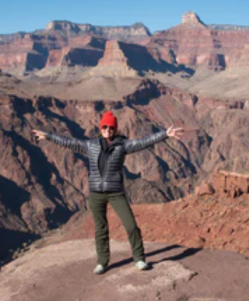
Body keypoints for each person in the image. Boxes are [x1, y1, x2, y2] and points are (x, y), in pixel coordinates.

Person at [33, 111, 184, 274]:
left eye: (111, 128)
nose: (108, 130)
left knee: (131, 225)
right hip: (96, 193)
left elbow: (143, 142)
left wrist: (165, 135)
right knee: (101, 228)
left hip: (116, 193)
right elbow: (70, 142)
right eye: (105, 127)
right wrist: (48, 136)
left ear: (115, 129)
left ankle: (139, 259)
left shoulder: (122, 145)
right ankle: (102, 262)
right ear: (100, 128)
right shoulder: (91, 145)